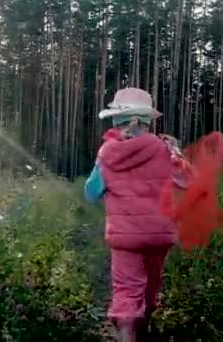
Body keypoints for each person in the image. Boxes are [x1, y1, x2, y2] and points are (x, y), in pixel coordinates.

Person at [84, 88, 179, 341]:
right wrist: (176, 153)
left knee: (127, 290)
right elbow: (187, 181)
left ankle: (127, 334)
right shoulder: (164, 149)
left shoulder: (108, 154)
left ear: (125, 121)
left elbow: (91, 193)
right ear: (145, 122)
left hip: (126, 239)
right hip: (160, 234)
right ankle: (144, 328)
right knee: (150, 287)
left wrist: (100, 164)